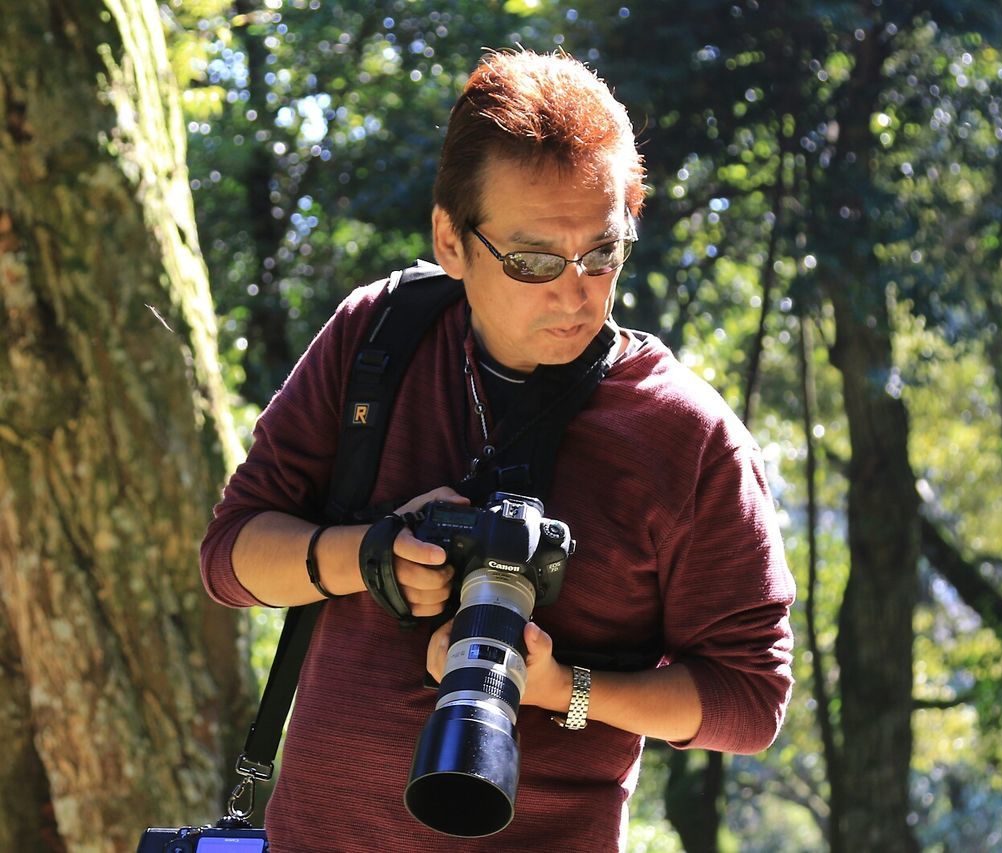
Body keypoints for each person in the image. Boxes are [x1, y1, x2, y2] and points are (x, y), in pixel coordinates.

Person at [201, 49, 795, 853]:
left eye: (604, 251)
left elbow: (750, 699)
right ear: (452, 240)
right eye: (535, 261)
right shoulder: (380, 337)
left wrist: (564, 689)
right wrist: (367, 553)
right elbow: (230, 557)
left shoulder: (685, 436)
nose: (576, 291)